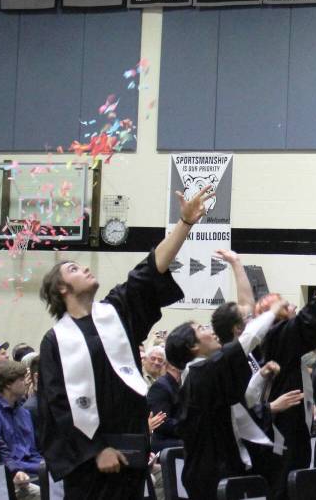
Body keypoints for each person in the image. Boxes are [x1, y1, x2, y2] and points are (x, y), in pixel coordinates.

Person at [37, 184, 214, 498]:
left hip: (131, 452)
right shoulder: (56, 341)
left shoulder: (114, 313)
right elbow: (59, 404)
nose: (86, 267)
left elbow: (148, 271)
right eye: (74, 268)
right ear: (61, 290)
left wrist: (184, 224)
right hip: (90, 463)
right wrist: (95, 450)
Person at [167, 302, 287, 500]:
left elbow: (241, 403)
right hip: (212, 476)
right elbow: (248, 339)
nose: (212, 332)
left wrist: (260, 377)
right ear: (193, 346)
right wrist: (273, 311)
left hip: (217, 469)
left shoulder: (201, 374)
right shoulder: (201, 371)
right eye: (201, 329)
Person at [257, 266, 316, 500]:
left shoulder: (284, 346)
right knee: (282, 488)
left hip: (293, 432)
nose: (294, 307)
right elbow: (313, 313)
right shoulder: (276, 337)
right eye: (287, 305)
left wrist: (310, 415)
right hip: (280, 438)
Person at [0, 360, 42, 498]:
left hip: (34, 469)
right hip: (13, 476)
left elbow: (33, 451)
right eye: (21, 379)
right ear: (8, 384)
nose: (26, 382)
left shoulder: (24, 412)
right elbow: (3, 455)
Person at [146, 358, 181, 454]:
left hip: (175, 439)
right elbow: (161, 422)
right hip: (165, 443)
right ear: (173, 365)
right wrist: (190, 427)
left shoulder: (177, 385)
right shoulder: (161, 386)